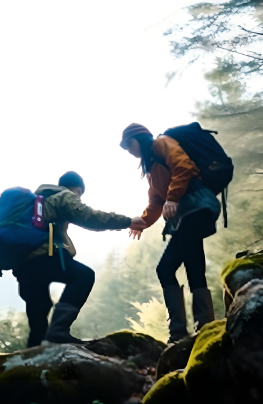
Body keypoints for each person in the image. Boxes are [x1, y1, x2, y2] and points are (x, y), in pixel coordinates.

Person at [15, 171, 146, 347]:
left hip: (22, 264)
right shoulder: (63, 196)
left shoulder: (33, 201)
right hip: (44, 258)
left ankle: (31, 359)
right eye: (79, 194)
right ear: (75, 190)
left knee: (39, 311)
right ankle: (58, 331)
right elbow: (90, 218)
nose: (79, 198)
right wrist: (128, 221)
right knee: (83, 276)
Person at [120, 123, 221, 343]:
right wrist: (141, 222)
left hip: (196, 208)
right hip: (186, 217)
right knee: (194, 267)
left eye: (129, 144)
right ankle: (204, 327)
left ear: (140, 138)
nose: (129, 150)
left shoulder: (161, 144)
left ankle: (178, 333)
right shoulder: (150, 167)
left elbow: (183, 167)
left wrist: (173, 198)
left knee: (165, 268)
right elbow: (156, 201)